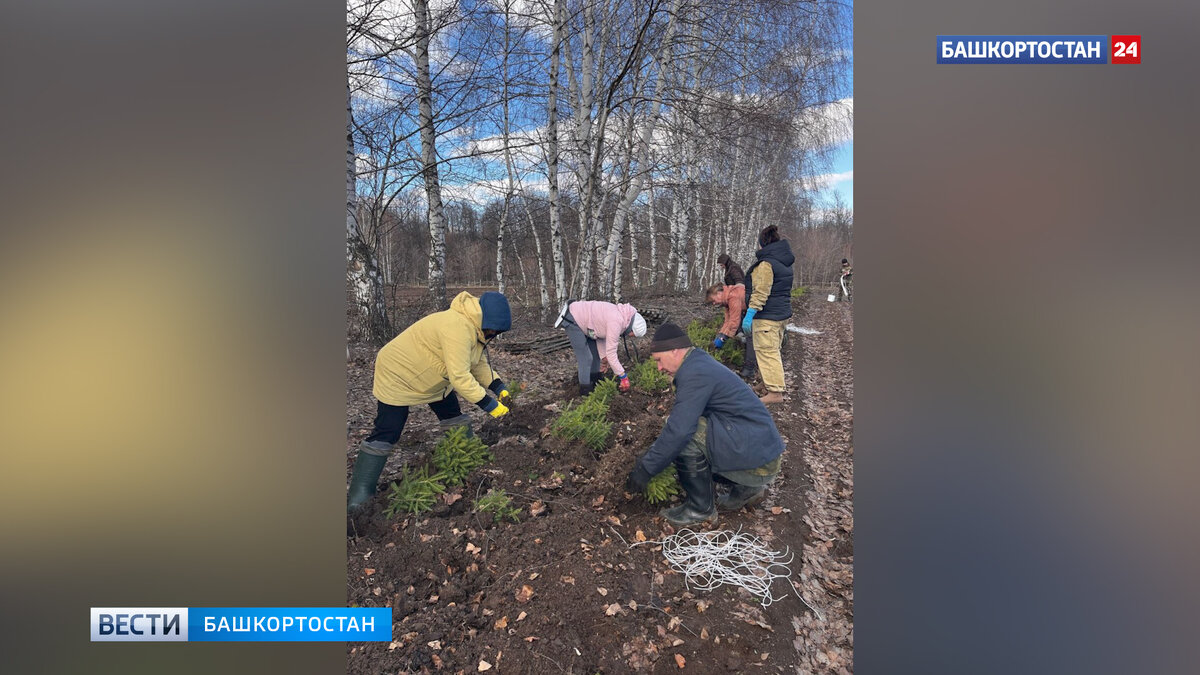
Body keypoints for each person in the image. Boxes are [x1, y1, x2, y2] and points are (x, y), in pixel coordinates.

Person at [347, 291, 513, 512]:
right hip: (398, 372)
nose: (493, 334)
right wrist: (490, 406)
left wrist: (499, 387)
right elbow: (461, 377)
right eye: (493, 329)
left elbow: (477, 364)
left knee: (452, 415)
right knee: (389, 429)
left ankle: (468, 462)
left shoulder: (476, 329)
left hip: (433, 376)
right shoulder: (457, 327)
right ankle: (360, 495)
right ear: (487, 320)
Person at [625, 324, 784, 526]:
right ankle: (746, 489)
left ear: (675, 350)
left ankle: (700, 510)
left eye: (658, 360)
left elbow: (679, 431)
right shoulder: (698, 363)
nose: (659, 367)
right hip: (762, 455)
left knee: (687, 436)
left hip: (759, 463)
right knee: (687, 429)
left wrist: (645, 469)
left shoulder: (695, 373)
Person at [742, 225, 795, 405]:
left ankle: (775, 392)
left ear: (762, 244)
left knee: (767, 351)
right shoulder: (783, 261)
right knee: (771, 349)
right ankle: (766, 382)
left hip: (767, 315)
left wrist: (750, 312)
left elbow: (761, 291)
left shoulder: (766, 264)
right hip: (780, 313)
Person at [556, 300, 647, 396]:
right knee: (586, 358)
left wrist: (604, 358)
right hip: (573, 318)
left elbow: (601, 334)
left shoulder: (623, 317)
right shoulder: (617, 321)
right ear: (632, 328)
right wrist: (623, 376)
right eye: (633, 335)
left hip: (589, 325)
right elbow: (611, 353)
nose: (631, 336)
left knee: (595, 356)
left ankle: (595, 382)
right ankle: (585, 391)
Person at [704, 282, 755, 379]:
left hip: (761, 311)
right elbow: (727, 321)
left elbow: (734, 321)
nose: (714, 304)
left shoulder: (733, 296)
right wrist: (720, 335)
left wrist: (724, 338)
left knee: (751, 338)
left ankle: (750, 369)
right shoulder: (727, 299)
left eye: (713, 300)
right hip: (751, 311)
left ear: (718, 294)